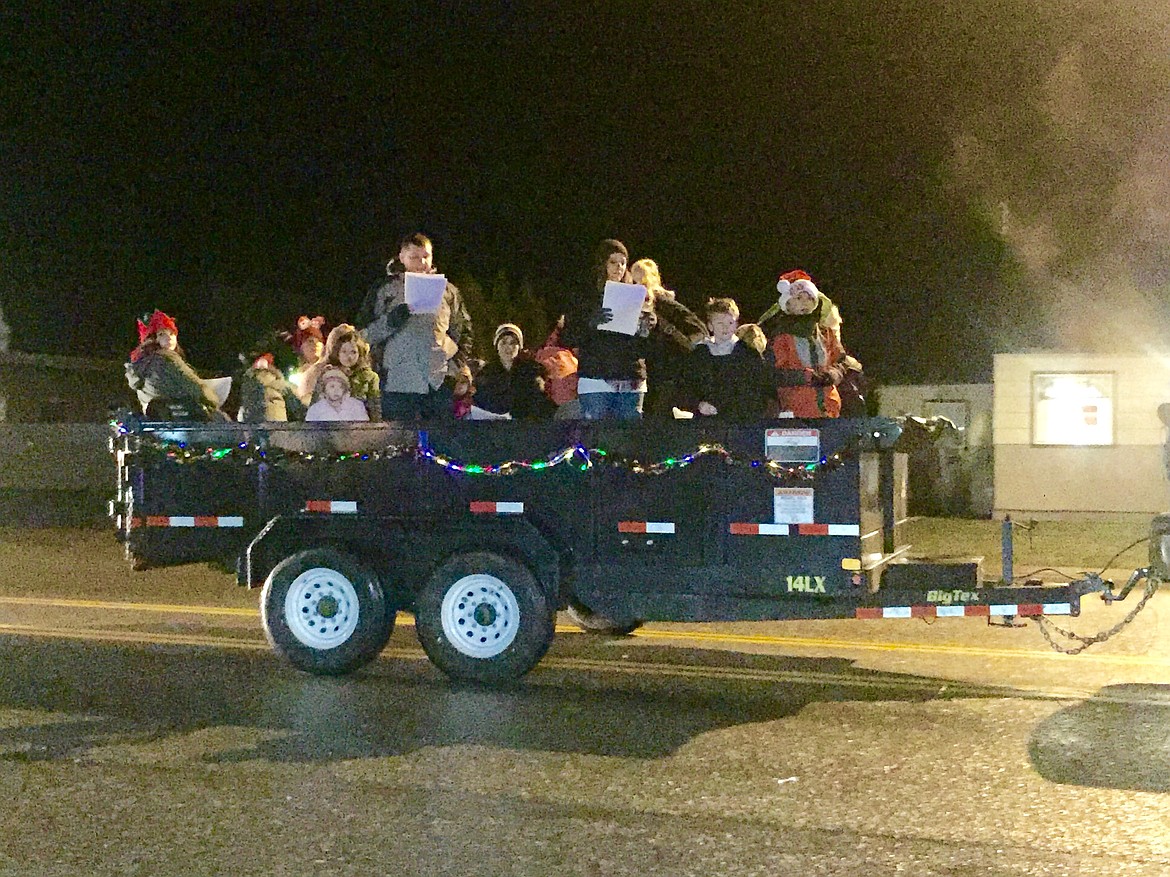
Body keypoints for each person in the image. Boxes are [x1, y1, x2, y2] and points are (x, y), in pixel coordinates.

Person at [357, 232, 473, 421]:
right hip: (397, 382)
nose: (421, 263)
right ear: (402, 257)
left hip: (437, 381)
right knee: (399, 443)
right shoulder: (384, 290)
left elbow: (465, 332)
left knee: (441, 443)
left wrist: (455, 365)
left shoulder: (448, 291)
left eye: (425, 257)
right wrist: (390, 322)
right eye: (414, 257)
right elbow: (361, 335)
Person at [562, 239, 650, 420]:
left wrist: (647, 328)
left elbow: (646, 347)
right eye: (613, 262)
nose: (618, 267)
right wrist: (591, 323)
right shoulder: (585, 297)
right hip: (597, 380)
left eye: (623, 263)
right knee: (596, 438)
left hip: (630, 380)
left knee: (628, 439)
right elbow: (568, 336)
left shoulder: (635, 296)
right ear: (602, 264)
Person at [763, 271, 847, 418]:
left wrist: (833, 374)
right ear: (787, 304)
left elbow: (840, 360)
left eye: (809, 298)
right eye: (799, 298)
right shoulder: (780, 337)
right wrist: (806, 376)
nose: (805, 302)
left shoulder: (826, 333)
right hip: (795, 411)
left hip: (829, 409)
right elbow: (773, 375)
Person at [629, 258, 707, 416]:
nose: (636, 287)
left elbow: (700, 330)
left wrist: (674, 347)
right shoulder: (633, 306)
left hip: (666, 376)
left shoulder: (663, 303)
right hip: (649, 375)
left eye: (640, 282)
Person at [125, 310, 224, 420]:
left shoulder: (139, 366)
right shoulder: (167, 358)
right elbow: (195, 387)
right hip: (183, 423)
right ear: (152, 339)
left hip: (159, 425)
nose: (169, 338)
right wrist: (214, 401)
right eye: (162, 334)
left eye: (172, 333)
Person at [688, 298, 771, 421]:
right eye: (720, 323)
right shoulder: (699, 355)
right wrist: (697, 405)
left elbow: (761, 388)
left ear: (736, 324)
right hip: (707, 422)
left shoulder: (748, 354)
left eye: (730, 323)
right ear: (710, 326)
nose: (725, 328)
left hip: (741, 422)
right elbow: (687, 387)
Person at [473, 323, 555, 420]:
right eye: (504, 342)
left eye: (513, 343)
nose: (509, 347)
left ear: (519, 347)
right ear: (497, 346)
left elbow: (538, 403)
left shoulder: (531, 372)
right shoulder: (486, 373)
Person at [302, 324, 381, 420]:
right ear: (337, 353)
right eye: (344, 352)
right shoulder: (327, 374)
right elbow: (315, 404)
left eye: (353, 352)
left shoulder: (369, 377)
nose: (349, 356)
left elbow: (375, 407)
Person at [305, 367, 370, 422]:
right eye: (332, 386)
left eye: (340, 387)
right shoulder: (315, 409)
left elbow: (364, 429)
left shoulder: (357, 406)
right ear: (324, 389)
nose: (336, 390)